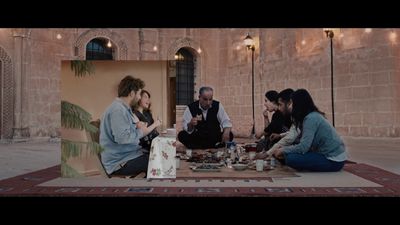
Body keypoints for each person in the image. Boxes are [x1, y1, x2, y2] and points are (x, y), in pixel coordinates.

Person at [99, 76, 161, 177]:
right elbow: (122, 138)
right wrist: (141, 130)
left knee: (158, 155)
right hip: (120, 162)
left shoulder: (122, 108)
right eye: (138, 94)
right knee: (160, 162)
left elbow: (123, 131)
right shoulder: (118, 110)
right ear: (132, 93)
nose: (139, 98)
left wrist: (135, 126)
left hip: (128, 155)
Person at [273, 89, 347, 172]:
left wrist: (284, 149)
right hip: (324, 154)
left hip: (333, 160)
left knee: (291, 158)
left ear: (298, 104)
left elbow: (304, 147)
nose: (290, 107)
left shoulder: (311, 118)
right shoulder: (308, 117)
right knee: (288, 155)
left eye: (291, 103)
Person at [255, 88, 300, 159]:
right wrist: (266, 118)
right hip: (285, 139)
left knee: (262, 143)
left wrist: (267, 153)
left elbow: (269, 131)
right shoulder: (279, 114)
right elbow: (270, 130)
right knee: (263, 142)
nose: (264, 104)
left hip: (290, 142)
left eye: (266, 101)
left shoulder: (281, 114)